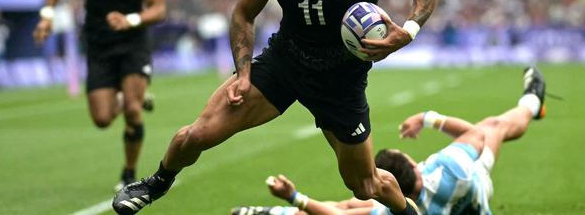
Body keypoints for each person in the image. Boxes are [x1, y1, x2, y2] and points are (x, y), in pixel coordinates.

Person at [112, 0, 441, 215]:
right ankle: (154, 183)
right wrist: (243, 73)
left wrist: (410, 30)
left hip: (341, 82)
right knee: (197, 134)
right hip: (286, 63)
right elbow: (242, 14)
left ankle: (407, 211)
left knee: (364, 185)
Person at [231, 66, 548, 215]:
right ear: (414, 163)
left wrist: (295, 198)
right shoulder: (450, 169)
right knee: (494, 127)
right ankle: (533, 101)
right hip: (474, 185)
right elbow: (475, 134)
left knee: (349, 206)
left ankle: (270, 214)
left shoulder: (391, 210)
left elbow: (340, 214)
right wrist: (428, 118)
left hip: (454, 206)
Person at [33, 0, 166, 190]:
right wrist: (46, 16)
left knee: (132, 111)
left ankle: (129, 174)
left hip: (133, 44)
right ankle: (129, 97)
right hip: (99, 46)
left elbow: (159, 9)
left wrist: (130, 19)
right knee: (102, 119)